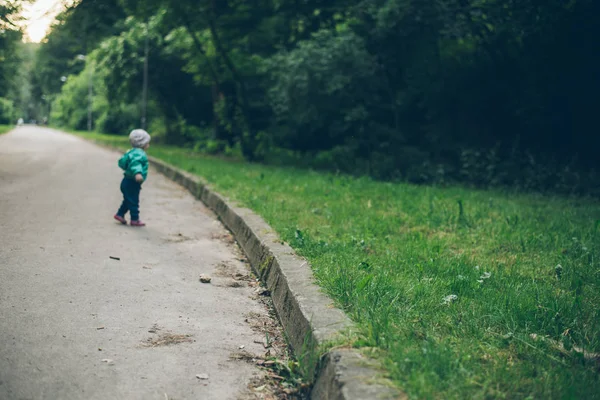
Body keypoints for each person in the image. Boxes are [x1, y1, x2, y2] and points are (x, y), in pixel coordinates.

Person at [114, 129, 151, 226]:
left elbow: (122, 163)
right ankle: (135, 219)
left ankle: (120, 214)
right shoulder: (139, 153)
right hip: (132, 181)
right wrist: (138, 173)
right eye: (147, 142)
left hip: (126, 181)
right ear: (142, 143)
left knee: (128, 199)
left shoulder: (131, 152)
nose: (149, 145)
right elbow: (136, 164)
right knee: (134, 201)